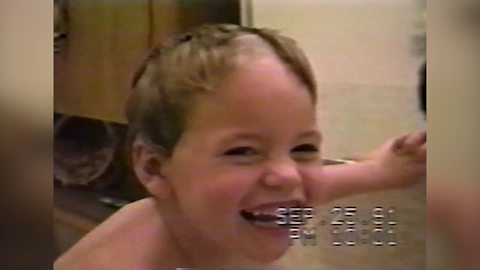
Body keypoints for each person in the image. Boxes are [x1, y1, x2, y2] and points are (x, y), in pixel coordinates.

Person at [54, 24, 425, 270]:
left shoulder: (231, 206)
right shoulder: (126, 260)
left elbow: (320, 182)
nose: (287, 174)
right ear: (154, 168)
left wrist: (382, 169)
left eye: (303, 148)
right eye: (242, 151)